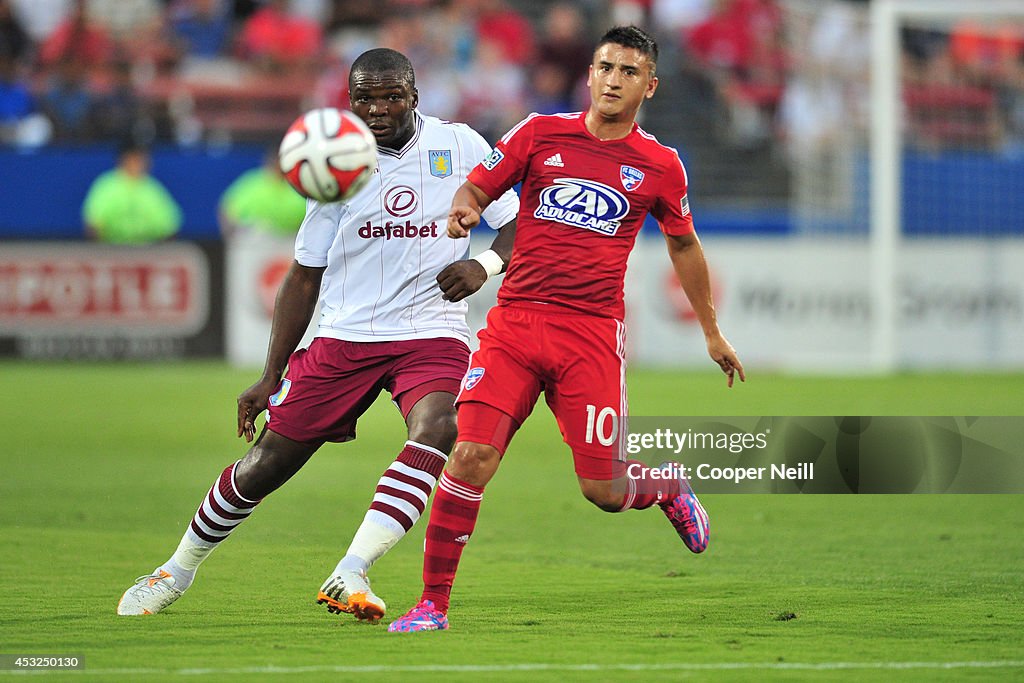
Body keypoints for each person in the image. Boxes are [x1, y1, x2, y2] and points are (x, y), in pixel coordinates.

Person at [117, 48, 520, 620]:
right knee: (265, 465)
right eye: (365, 98)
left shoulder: (461, 146)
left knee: (441, 426)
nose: (378, 109)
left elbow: (520, 221)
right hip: (346, 333)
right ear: (348, 99)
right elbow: (305, 275)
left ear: (414, 94)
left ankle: (351, 571)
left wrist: (485, 267)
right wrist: (270, 375)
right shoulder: (335, 159)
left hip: (433, 330)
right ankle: (174, 571)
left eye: (391, 96)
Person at [388, 26, 744, 633]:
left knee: (603, 490)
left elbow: (684, 246)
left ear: (649, 86)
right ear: (589, 74)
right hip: (515, 328)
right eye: (605, 66)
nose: (613, 78)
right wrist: (467, 206)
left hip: (590, 338)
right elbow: (480, 183)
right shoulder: (538, 132)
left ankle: (664, 488)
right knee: (469, 455)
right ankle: (431, 605)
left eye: (628, 71)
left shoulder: (660, 165)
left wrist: (711, 330)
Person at [83, 142, 182, 244]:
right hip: (111, 249)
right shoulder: (107, 186)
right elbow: (92, 224)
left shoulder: (152, 188)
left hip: (148, 251)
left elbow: (170, 227)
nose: (137, 163)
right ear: (123, 160)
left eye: (140, 159)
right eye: (134, 158)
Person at [218, 148, 306, 238]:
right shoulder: (252, 181)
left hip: (290, 239)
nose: (277, 165)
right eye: (275, 161)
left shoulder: (298, 184)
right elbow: (226, 209)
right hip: (253, 240)